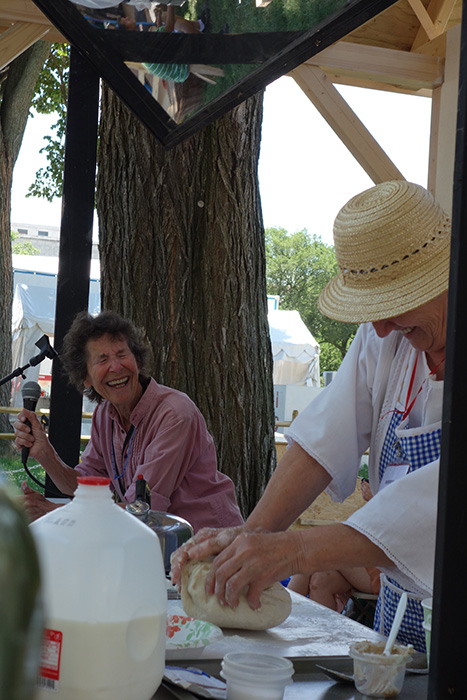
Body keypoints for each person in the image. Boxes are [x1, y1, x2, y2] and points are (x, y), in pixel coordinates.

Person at [171, 179, 450, 653]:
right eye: (372, 309)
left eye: (393, 303)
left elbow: (439, 502)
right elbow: (324, 440)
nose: (379, 327)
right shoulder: (388, 335)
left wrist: (295, 550)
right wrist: (252, 535)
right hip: (398, 613)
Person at [15, 311, 244, 532]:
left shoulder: (175, 414)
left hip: (210, 551)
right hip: (157, 547)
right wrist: (45, 454)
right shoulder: (105, 415)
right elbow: (86, 489)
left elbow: (142, 510)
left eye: (122, 354)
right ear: (85, 377)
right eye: (102, 359)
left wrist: (54, 515)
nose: (116, 367)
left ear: (138, 361)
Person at [287, 479, 381, 612]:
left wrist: (377, 498)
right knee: (321, 579)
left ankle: (284, 614)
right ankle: (319, 632)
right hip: (368, 555)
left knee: (317, 547)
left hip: (387, 570)